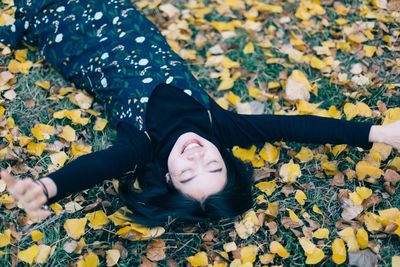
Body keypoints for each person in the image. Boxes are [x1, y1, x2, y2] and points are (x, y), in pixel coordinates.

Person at [0, 0, 399, 227]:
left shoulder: (141, 147)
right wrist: (377, 133)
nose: (196, 156)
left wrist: (48, 189)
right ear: (226, 157)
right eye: (213, 164)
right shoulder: (222, 127)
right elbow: (297, 127)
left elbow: (96, 166)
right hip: (122, 16)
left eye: (189, 173)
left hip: (71, 34)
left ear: (169, 176)